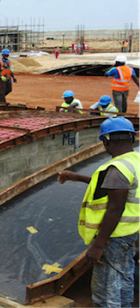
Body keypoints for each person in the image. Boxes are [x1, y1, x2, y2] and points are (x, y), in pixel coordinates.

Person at [57, 117, 139, 307]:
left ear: (106, 141)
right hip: (130, 234)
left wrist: (98, 245)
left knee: (105, 290)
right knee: (124, 280)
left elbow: (115, 208)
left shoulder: (117, 168)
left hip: (113, 238)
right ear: (132, 139)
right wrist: (77, 177)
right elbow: (114, 186)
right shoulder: (134, 161)